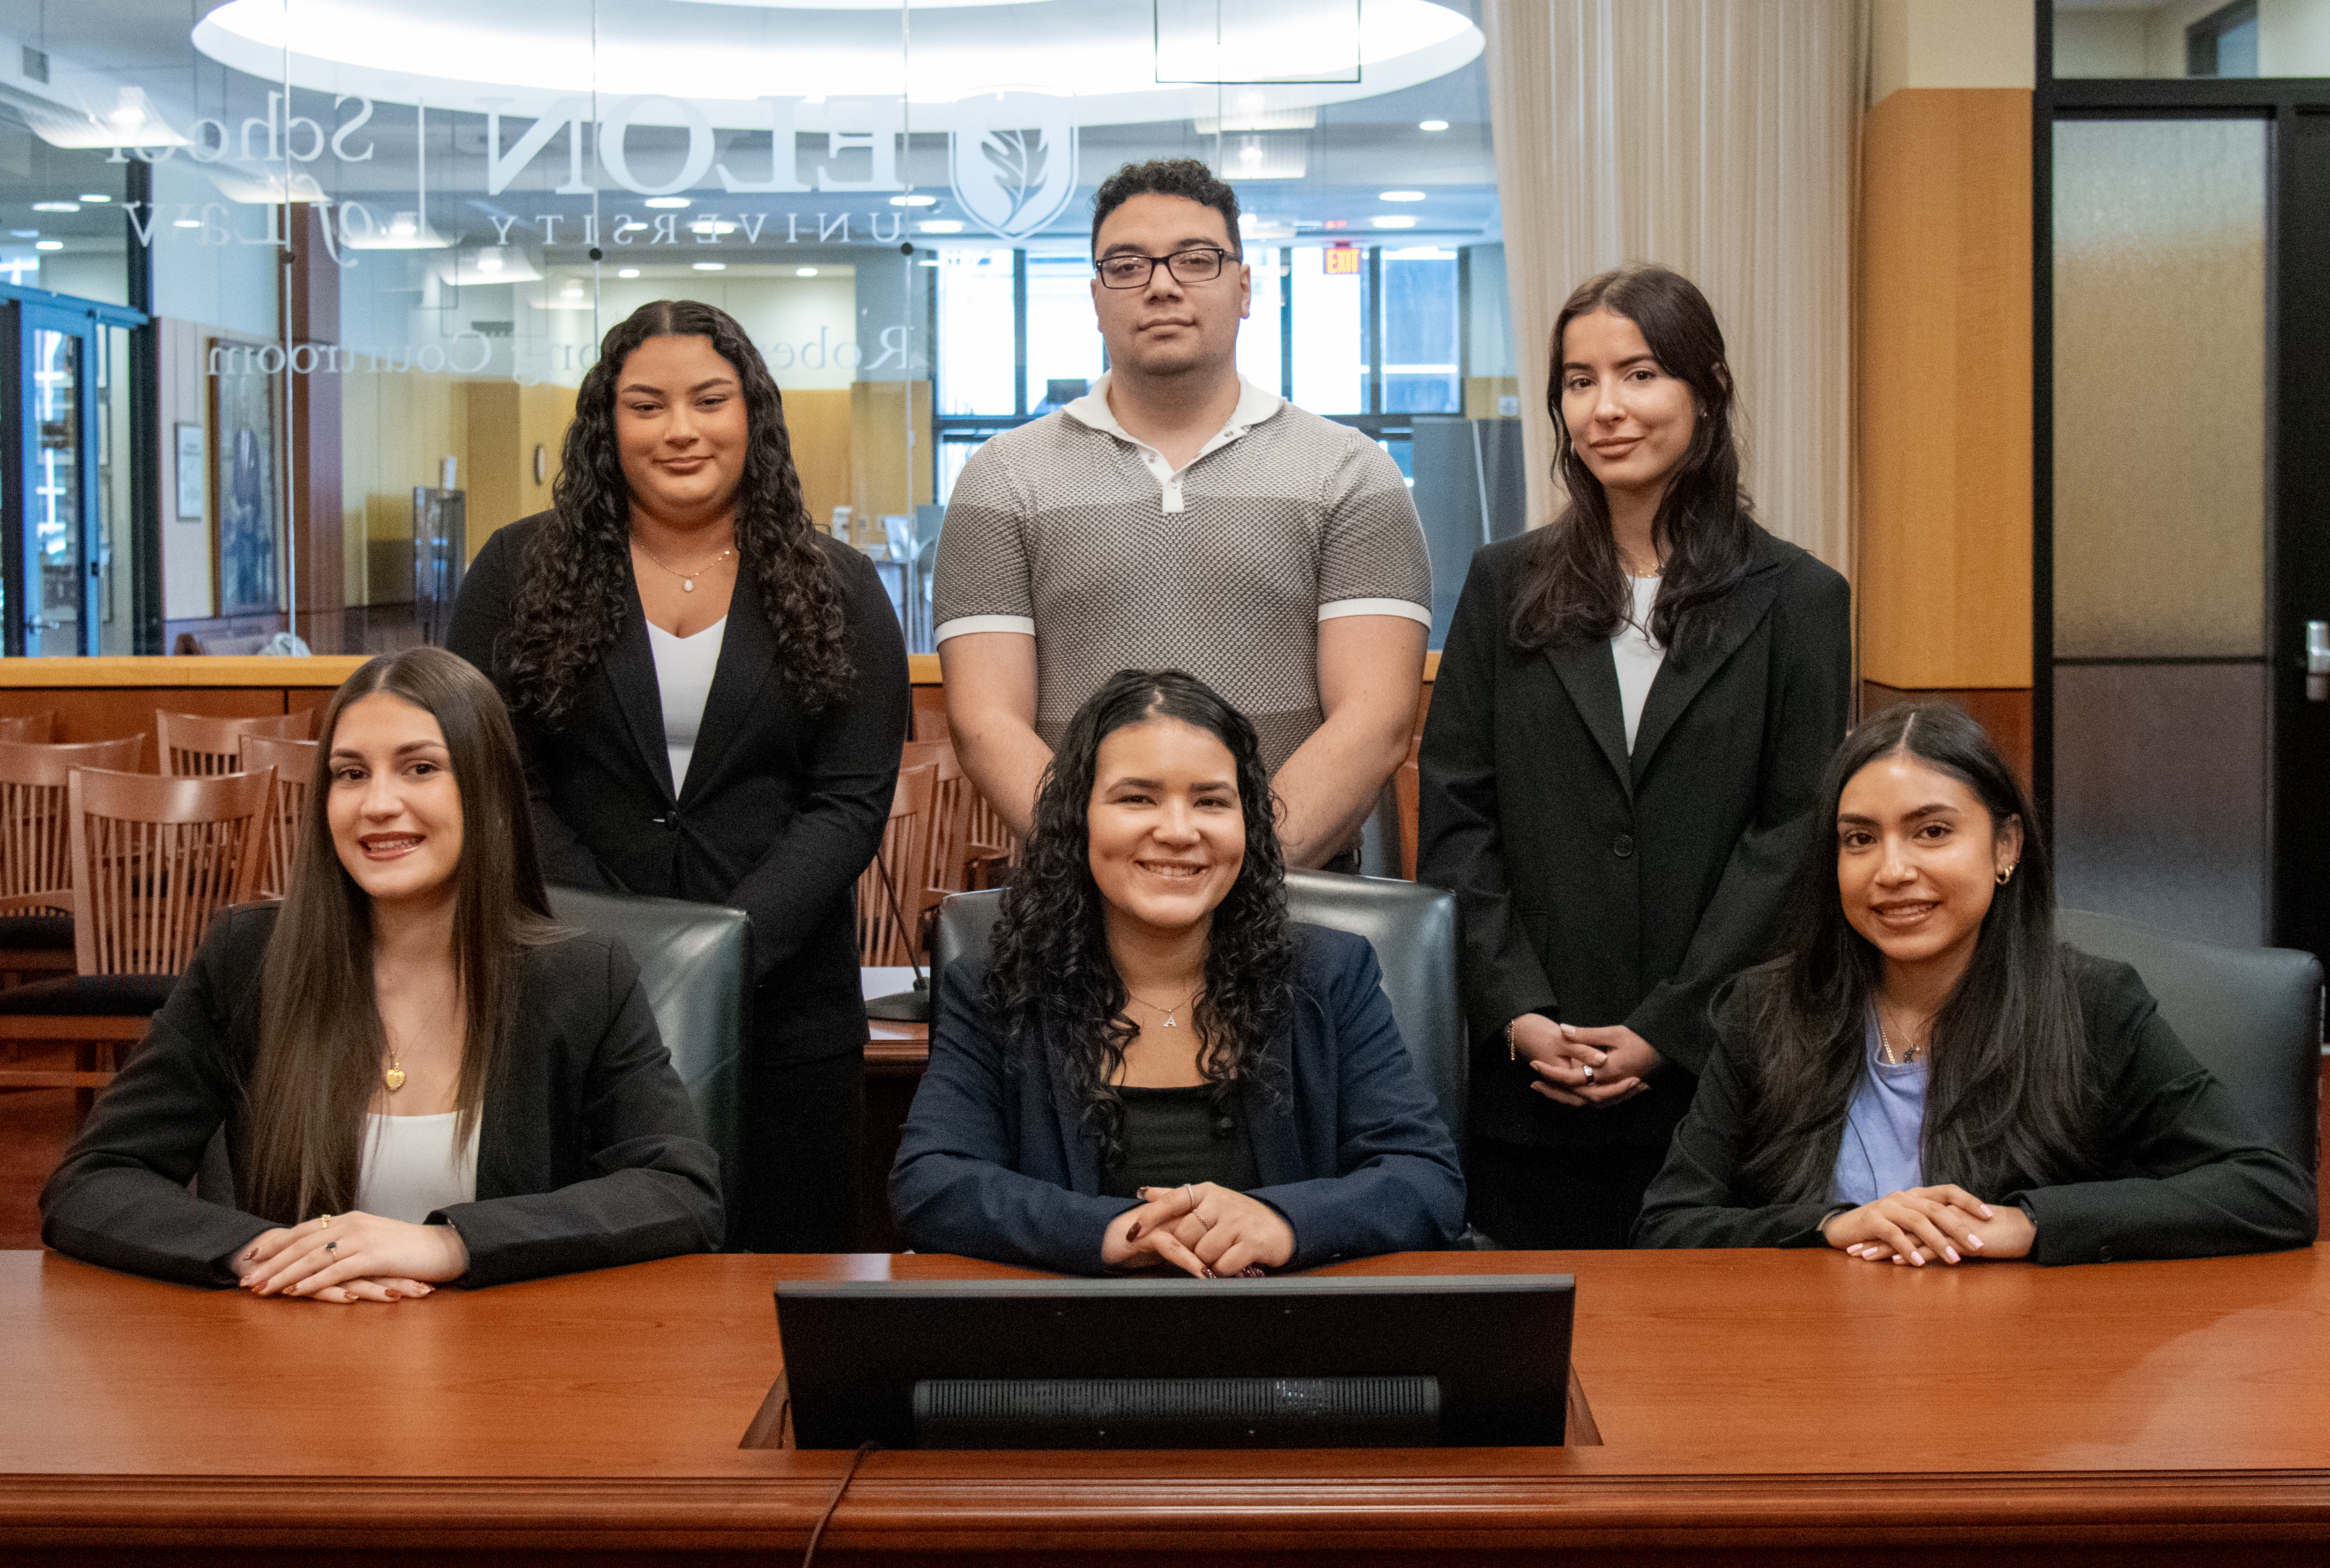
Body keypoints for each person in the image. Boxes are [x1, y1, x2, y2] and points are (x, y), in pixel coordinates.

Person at [40, 647, 723, 1296]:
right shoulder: (248, 960)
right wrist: (268, 1255)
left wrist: (448, 1245)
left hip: (513, 1375)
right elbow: (93, 1180)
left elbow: (678, 1191)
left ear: (487, 792)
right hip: (293, 1367)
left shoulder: (581, 978)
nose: (377, 804)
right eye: (350, 773)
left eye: (420, 768)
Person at [448, 300, 907, 1253]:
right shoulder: (517, 568)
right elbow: (499, 781)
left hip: (787, 1013)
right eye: (646, 405)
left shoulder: (841, 584)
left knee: (785, 1282)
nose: (682, 430)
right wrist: (625, 951)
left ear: (755, 416)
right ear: (606, 424)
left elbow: (850, 799)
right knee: (588, 1276)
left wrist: (725, 950)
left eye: (710, 400)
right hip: (570, 996)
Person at [1418, 263, 1851, 1249]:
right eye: (1579, 381)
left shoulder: (1802, 600)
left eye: (1641, 374)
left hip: (1720, 1076)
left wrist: (1672, 1027)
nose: (1606, 408)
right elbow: (1456, 814)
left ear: (1709, 389)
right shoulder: (1502, 583)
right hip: (1530, 1079)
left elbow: (1791, 839)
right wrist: (1517, 1009)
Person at [1635, 702, 2314, 1263]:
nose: (1891, 870)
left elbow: (2268, 1191)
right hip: (1814, 1364)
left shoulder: (2090, 1006)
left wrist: (2031, 1222)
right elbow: (1669, 1226)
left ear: (2005, 847)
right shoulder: (1766, 1008)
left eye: (1931, 832)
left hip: (2020, 1375)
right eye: (1859, 840)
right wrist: (1828, 1225)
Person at [934, 158, 1431, 872]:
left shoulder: (1351, 473)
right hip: (1077, 907)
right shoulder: (1002, 480)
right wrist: (1117, 879)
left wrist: (1234, 876)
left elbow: (1373, 724)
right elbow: (987, 727)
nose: (1162, 285)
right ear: (1097, 295)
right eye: (1128, 265)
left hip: (1299, 899)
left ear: (1244, 287)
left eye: (1196, 260)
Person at [890, 669, 1464, 1276]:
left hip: (1288, 1343)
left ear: (1248, 825)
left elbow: (1424, 1179)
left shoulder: (1330, 974)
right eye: (1136, 798)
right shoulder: (995, 988)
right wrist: (1111, 1233)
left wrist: (1282, 1223)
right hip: (1073, 1345)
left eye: (1211, 802)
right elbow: (933, 1185)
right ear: (1079, 818)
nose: (1178, 831)